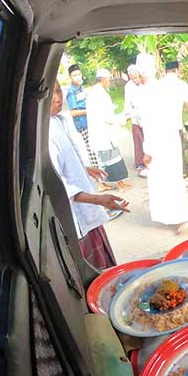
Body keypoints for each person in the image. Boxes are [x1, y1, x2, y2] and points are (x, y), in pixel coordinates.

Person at [48, 80, 129, 269]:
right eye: (51, 94)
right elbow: (58, 184)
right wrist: (98, 199)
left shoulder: (58, 121)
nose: (58, 98)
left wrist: (84, 169)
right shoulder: (45, 133)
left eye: (59, 91)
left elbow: (65, 162)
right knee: (93, 272)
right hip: (76, 218)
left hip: (87, 215)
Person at [136, 55, 188, 232]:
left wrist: (147, 150)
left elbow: (150, 124)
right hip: (167, 139)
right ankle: (172, 216)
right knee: (166, 179)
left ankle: (182, 216)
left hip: (159, 142)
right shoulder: (157, 87)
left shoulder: (151, 91)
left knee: (167, 180)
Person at [86, 68, 130, 191]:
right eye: (109, 80)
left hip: (99, 133)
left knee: (103, 161)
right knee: (112, 160)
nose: (109, 82)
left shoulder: (93, 92)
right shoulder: (101, 94)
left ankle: (101, 184)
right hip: (104, 134)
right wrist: (121, 120)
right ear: (104, 80)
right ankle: (120, 185)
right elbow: (107, 117)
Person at [65, 64, 96, 166]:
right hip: (82, 124)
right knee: (91, 147)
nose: (77, 77)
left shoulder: (81, 88)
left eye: (79, 74)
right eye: (74, 75)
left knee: (96, 145)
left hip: (90, 121)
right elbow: (73, 112)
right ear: (70, 77)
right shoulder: (71, 92)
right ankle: (99, 176)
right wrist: (90, 111)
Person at [123, 64, 146, 176]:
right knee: (138, 140)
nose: (135, 80)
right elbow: (127, 103)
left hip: (147, 117)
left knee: (148, 140)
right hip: (135, 117)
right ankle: (140, 163)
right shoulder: (128, 86)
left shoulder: (146, 83)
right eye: (132, 78)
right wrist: (127, 115)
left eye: (136, 77)